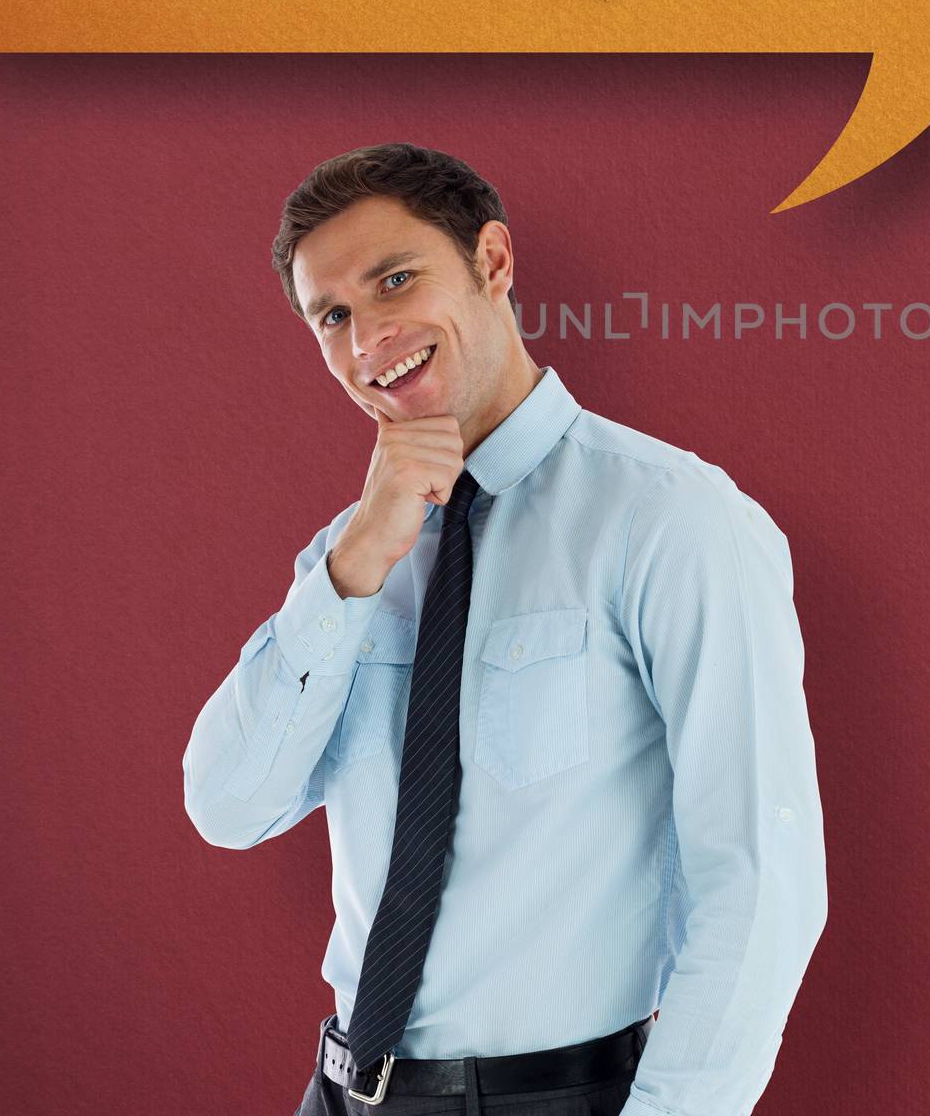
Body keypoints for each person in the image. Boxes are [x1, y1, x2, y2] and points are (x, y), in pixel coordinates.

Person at [182, 143, 828, 1116]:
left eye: (395, 279)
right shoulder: (354, 558)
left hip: (555, 1098)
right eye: (334, 315)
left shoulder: (669, 518)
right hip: (340, 1092)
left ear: (491, 261)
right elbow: (229, 806)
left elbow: (759, 878)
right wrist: (353, 567)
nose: (369, 337)